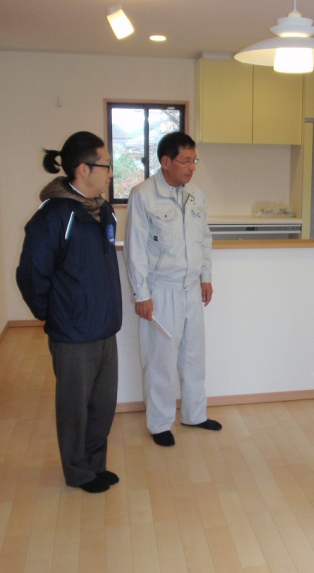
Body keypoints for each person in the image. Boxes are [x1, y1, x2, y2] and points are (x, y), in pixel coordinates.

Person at [16, 131, 122, 493]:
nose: (111, 172)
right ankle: (78, 472)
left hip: (105, 327)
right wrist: (53, 313)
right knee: (74, 408)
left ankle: (95, 465)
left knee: (102, 405)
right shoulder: (54, 215)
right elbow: (31, 273)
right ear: (83, 169)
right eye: (106, 165)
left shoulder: (102, 210)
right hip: (73, 333)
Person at [123, 131, 221, 447]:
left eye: (194, 160)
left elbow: (204, 239)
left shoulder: (196, 195)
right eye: (186, 161)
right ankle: (160, 423)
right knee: (160, 361)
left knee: (194, 356)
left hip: (191, 289)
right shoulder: (143, 195)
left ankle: (195, 414)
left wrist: (206, 276)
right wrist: (141, 295)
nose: (192, 167)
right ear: (166, 162)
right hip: (161, 290)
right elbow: (135, 249)